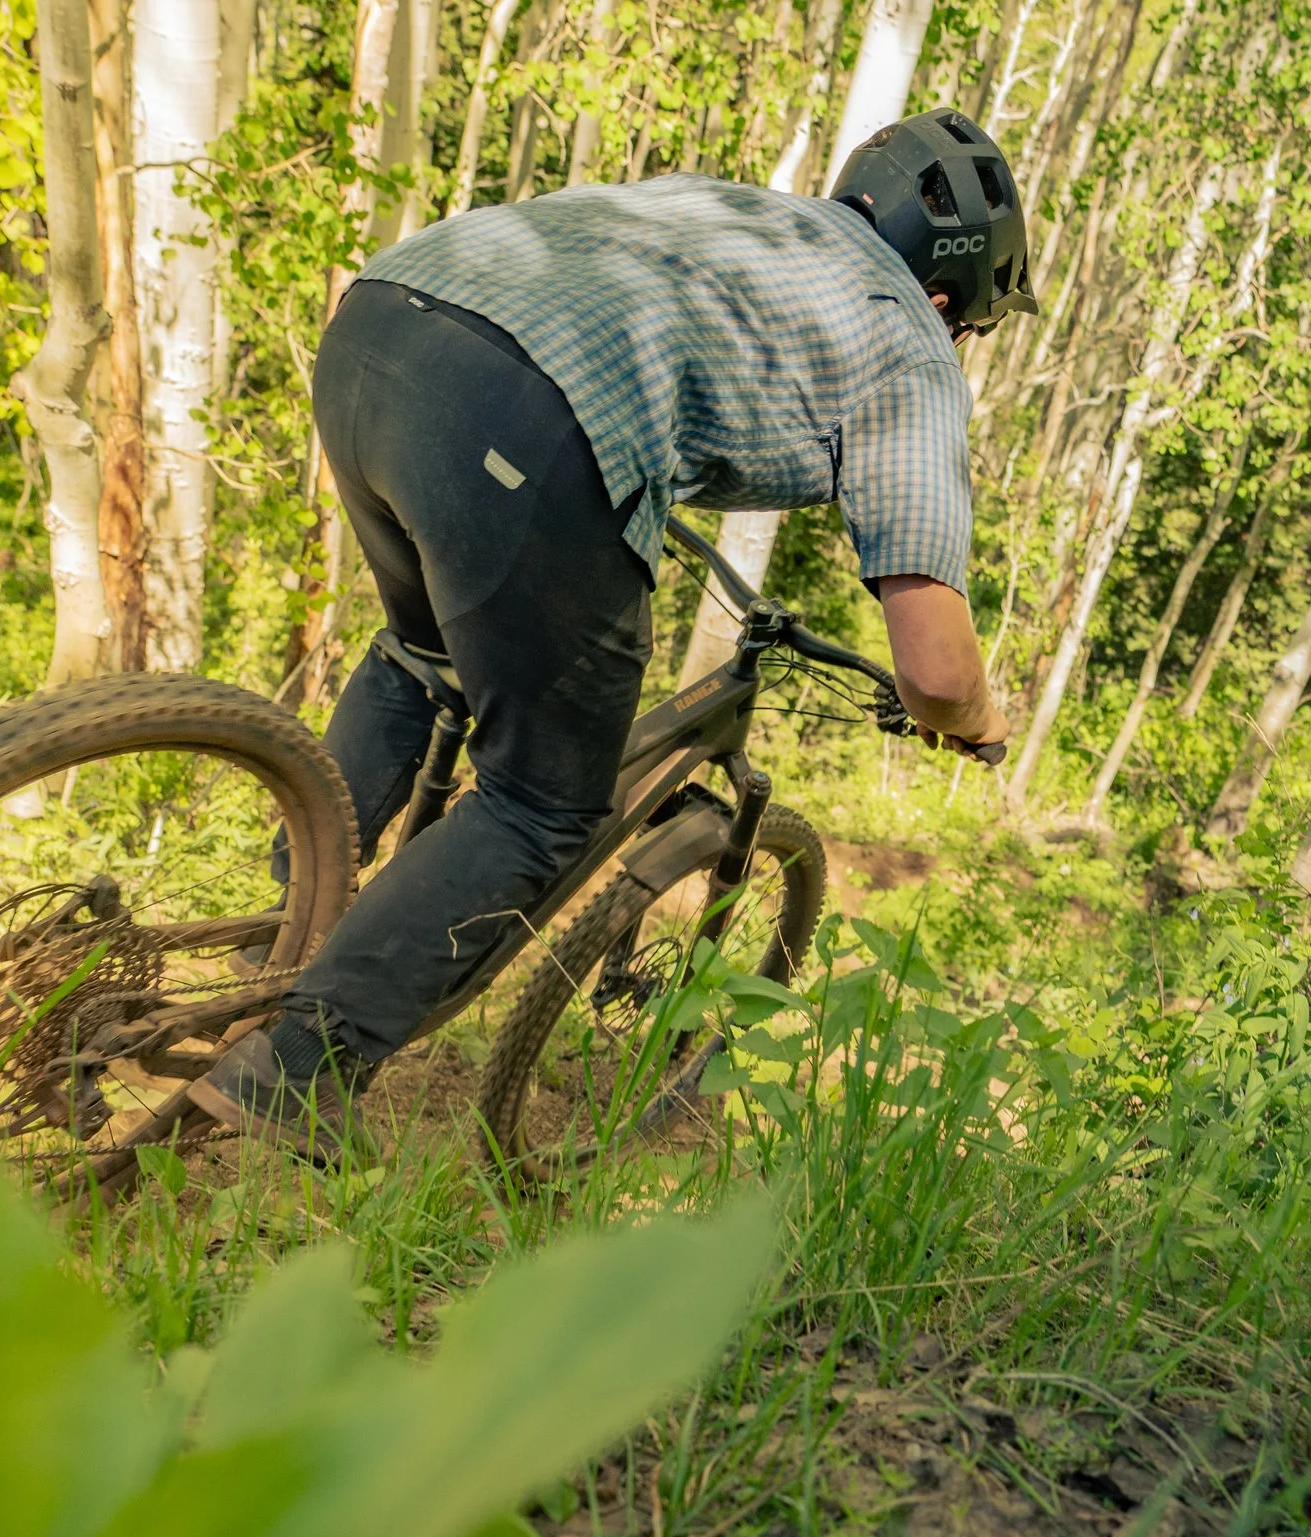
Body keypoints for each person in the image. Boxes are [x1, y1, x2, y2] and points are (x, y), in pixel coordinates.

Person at [187, 108, 1035, 1159]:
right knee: (542, 803)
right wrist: (974, 719)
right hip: (527, 411)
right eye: (969, 331)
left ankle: (280, 936)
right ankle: (297, 1066)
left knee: (426, 659)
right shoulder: (910, 346)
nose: (957, 348)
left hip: (382, 322)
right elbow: (937, 667)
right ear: (946, 296)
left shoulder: (740, 212)